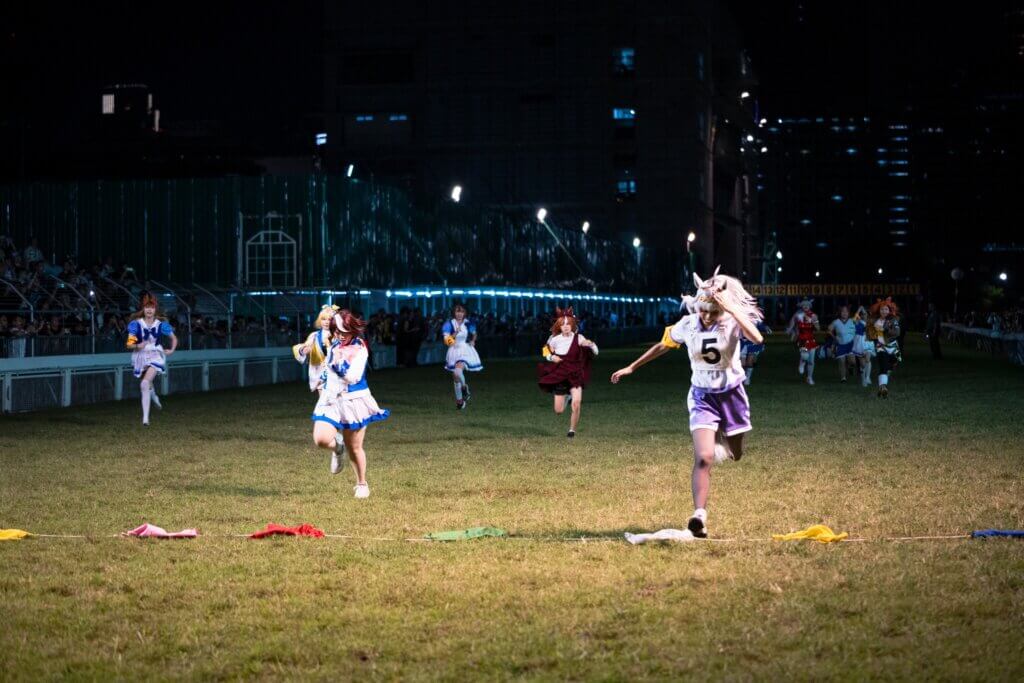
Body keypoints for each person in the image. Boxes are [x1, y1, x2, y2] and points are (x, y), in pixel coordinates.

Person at [611, 268, 764, 539]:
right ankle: (699, 516)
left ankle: (724, 450)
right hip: (702, 397)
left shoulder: (731, 321)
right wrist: (632, 367)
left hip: (732, 395)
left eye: (712, 312)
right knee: (703, 457)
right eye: (703, 310)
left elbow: (757, 338)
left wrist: (729, 307)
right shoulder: (689, 323)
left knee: (736, 454)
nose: (706, 316)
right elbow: (663, 345)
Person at [311, 310, 389, 495]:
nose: (339, 335)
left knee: (354, 448)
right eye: (336, 331)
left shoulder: (360, 347)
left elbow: (353, 377)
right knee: (321, 439)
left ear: (352, 329)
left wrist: (335, 366)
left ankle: (362, 484)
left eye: (343, 331)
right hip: (331, 400)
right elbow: (325, 370)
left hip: (354, 401)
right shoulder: (333, 345)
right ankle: (337, 447)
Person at [537, 307, 599, 438]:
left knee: (577, 403)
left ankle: (572, 431)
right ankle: (567, 397)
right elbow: (545, 350)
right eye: (563, 324)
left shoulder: (579, 337)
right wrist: (551, 357)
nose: (566, 326)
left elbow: (594, 350)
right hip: (560, 374)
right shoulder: (554, 339)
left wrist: (592, 345)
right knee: (558, 410)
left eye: (568, 324)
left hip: (575, 373)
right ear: (559, 325)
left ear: (573, 324)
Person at [126, 293, 178, 425]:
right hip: (140, 356)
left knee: (144, 383)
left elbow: (174, 338)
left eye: (152, 307)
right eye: (147, 307)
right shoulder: (136, 324)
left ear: (155, 309)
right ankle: (154, 396)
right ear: (143, 309)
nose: (149, 310)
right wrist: (138, 345)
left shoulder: (161, 325)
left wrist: (171, 350)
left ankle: (145, 419)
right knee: (146, 383)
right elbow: (129, 344)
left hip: (155, 355)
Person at [442, 303, 483, 410]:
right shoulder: (449, 324)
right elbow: (447, 342)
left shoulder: (468, 323)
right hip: (453, 350)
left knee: (457, 372)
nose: (460, 314)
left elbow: (474, 333)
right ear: (454, 313)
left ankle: (464, 387)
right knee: (455, 377)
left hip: (465, 349)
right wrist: (455, 332)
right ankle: (460, 402)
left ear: (465, 313)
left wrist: (473, 340)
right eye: (457, 311)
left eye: (462, 312)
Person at [292, 305, 338, 395]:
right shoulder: (314, 335)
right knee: (323, 400)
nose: (326, 322)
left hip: (335, 369)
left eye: (329, 319)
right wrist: (303, 350)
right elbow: (305, 347)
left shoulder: (338, 335)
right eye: (323, 319)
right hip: (319, 370)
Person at [867, 298, 902, 398]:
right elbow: (870, 334)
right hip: (881, 347)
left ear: (890, 310)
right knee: (883, 366)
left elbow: (897, 333)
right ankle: (883, 387)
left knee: (893, 363)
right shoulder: (874, 320)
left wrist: (886, 329)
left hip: (893, 347)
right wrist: (871, 332)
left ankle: (882, 385)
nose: (884, 311)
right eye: (882, 309)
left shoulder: (894, 320)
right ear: (878, 310)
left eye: (886, 309)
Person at [786, 298, 819, 385]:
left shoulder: (814, 316)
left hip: (811, 339)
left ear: (810, 307)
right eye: (804, 305)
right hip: (802, 339)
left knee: (811, 361)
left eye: (807, 305)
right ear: (801, 307)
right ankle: (802, 362)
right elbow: (791, 325)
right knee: (804, 356)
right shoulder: (797, 315)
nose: (805, 307)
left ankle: (809, 377)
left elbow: (818, 328)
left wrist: (813, 322)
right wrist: (790, 331)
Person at [828, 306, 858, 383]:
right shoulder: (836, 322)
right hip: (841, 344)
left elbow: (860, 328)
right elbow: (829, 330)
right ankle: (843, 378)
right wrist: (834, 338)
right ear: (840, 313)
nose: (844, 313)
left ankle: (850, 367)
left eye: (846, 311)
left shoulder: (852, 320)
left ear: (848, 313)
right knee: (841, 361)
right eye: (843, 311)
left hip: (851, 344)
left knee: (852, 362)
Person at [740, 317, 772, 386]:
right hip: (741, 342)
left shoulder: (754, 318)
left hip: (752, 342)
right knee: (742, 364)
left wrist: (766, 328)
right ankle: (742, 378)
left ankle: (747, 378)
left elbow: (760, 324)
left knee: (750, 362)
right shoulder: (737, 316)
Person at [851, 305, 873, 386]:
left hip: (867, 341)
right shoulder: (857, 321)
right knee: (862, 363)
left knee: (868, 359)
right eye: (862, 314)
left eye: (865, 314)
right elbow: (854, 319)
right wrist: (859, 310)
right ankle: (863, 379)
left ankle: (867, 377)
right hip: (859, 342)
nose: (864, 315)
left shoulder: (870, 322)